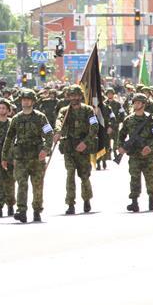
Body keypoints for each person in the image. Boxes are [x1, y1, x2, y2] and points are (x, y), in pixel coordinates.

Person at [2, 89, 53, 223]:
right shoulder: (16, 118)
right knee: (22, 184)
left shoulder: (40, 117)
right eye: (24, 99)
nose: (26, 101)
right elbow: (9, 138)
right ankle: (21, 211)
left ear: (33, 101)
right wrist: (4, 157)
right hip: (20, 157)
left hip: (36, 157)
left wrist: (46, 150)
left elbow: (49, 134)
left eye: (28, 99)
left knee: (37, 185)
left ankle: (37, 210)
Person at [55, 85, 98, 215]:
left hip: (83, 147)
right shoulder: (64, 110)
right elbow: (59, 121)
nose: (74, 98)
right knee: (70, 174)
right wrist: (57, 132)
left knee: (84, 175)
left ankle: (86, 200)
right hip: (69, 146)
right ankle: (70, 203)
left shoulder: (88, 110)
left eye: (76, 95)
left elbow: (94, 127)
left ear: (80, 96)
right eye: (71, 95)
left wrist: (85, 142)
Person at [116, 93, 153, 212]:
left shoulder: (151, 120)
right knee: (134, 178)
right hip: (134, 155)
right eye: (134, 102)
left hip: (148, 155)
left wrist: (150, 147)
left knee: (150, 178)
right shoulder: (129, 120)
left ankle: (152, 199)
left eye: (138, 102)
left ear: (143, 104)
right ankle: (134, 202)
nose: (135, 104)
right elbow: (121, 135)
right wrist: (120, 147)